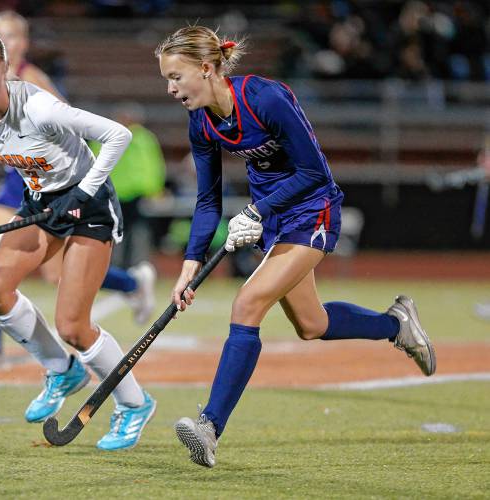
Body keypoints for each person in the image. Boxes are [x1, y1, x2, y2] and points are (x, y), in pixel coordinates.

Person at [155, 25, 436, 468]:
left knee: (247, 303)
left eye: (176, 77)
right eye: (166, 80)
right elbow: (207, 200)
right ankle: (395, 326)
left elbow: (314, 173)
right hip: (273, 217)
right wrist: (189, 264)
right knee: (312, 324)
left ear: (206, 68)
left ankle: (209, 427)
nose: (171, 89)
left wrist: (255, 211)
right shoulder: (201, 122)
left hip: (313, 209)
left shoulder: (265, 98)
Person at [0, 30, 156, 451]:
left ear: (6, 70)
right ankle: (61, 371)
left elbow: (119, 135)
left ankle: (135, 404)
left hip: (89, 205)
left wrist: (83, 193)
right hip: (41, 203)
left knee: (73, 326)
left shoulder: (39, 107)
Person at [0, 11, 156, 370]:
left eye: (11, 36)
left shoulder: (33, 81)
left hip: (49, 180)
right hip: (21, 179)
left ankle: (130, 283)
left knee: (57, 273)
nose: (4, 42)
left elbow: (63, 133)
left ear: (22, 43)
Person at [88, 102, 166, 268]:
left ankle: (137, 268)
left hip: (137, 194)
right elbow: (93, 163)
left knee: (137, 233)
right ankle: (113, 269)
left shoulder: (143, 138)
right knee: (114, 233)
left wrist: (155, 190)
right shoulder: (105, 136)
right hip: (112, 193)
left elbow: (154, 166)